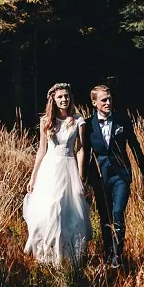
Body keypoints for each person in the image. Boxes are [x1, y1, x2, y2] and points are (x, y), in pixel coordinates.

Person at [22, 82, 92, 266]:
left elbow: (81, 150)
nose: (64, 100)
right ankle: (46, 253)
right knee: (49, 208)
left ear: (71, 98)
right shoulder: (46, 121)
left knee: (66, 211)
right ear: (53, 99)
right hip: (50, 169)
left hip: (68, 168)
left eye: (66, 96)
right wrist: (33, 177)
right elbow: (41, 150)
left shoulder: (78, 121)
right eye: (60, 96)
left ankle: (67, 255)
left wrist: (81, 176)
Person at [85, 84, 144, 268]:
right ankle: (107, 253)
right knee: (105, 217)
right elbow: (85, 154)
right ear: (94, 102)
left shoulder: (122, 120)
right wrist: (83, 178)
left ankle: (116, 256)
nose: (108, 102)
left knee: (118, 213)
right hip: (100, 177)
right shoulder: (88, 125)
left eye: (110, 99)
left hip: (121, 175)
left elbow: (135, 146)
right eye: (103, 100)